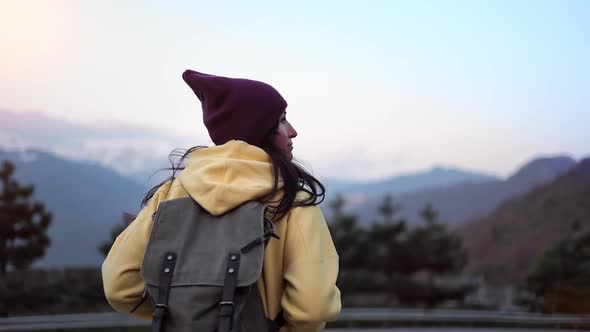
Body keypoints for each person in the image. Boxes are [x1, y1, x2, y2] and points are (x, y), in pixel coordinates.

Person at [102, 69, 341, 331]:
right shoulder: (292, 201)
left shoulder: (172, 193)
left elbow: (119, 286)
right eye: (282, 120)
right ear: (258, 129)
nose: (293, 131)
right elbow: (312, 308)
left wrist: (180, 314)